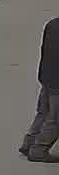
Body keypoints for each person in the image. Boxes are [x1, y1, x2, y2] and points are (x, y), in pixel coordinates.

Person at [23, 15, 59, 162]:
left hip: (47, 76)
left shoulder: (53, 24)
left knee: (43, 112)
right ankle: (39, 150)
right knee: (55, 118)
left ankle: (29, 142)